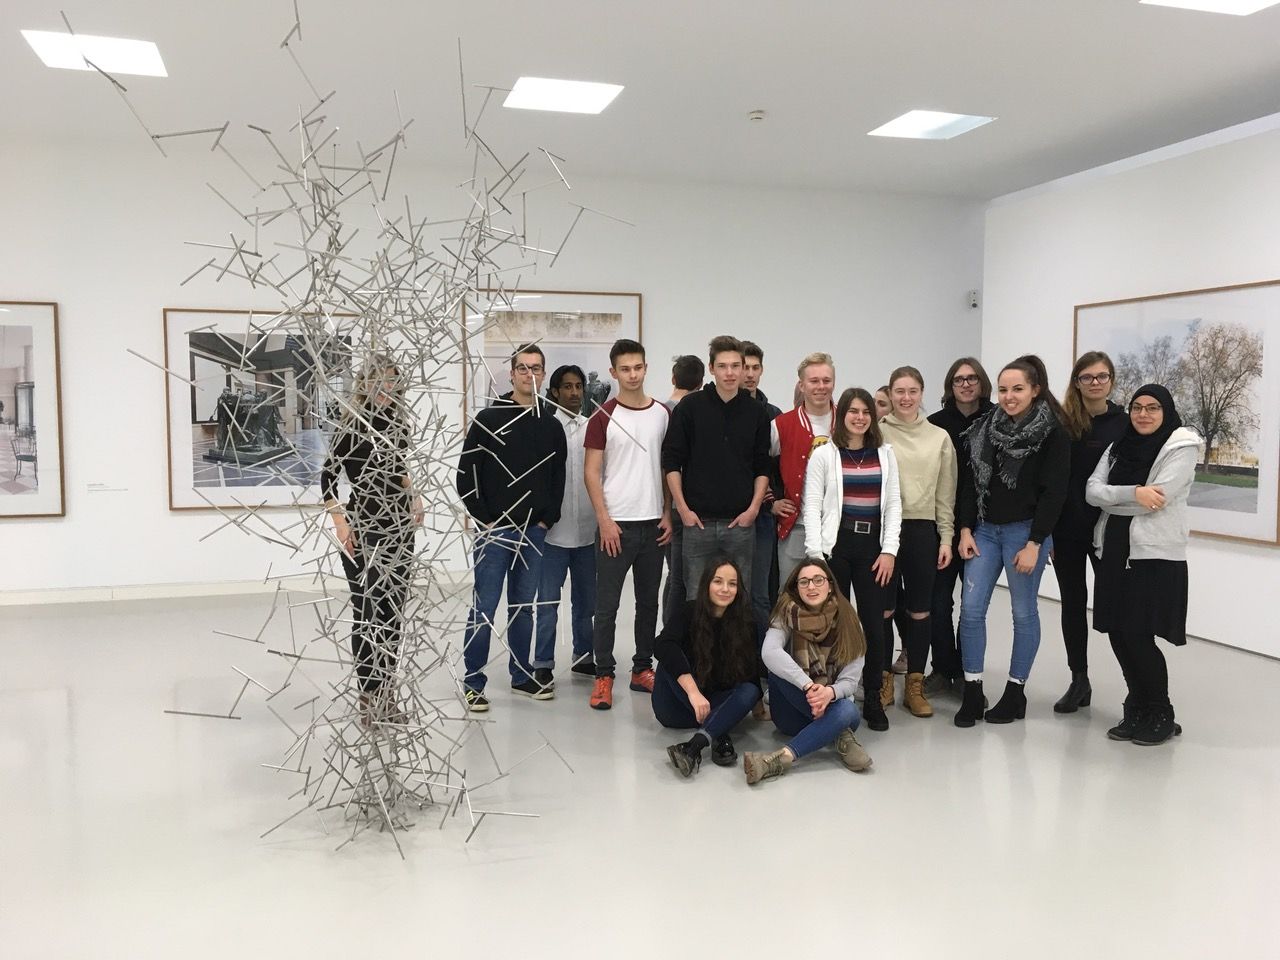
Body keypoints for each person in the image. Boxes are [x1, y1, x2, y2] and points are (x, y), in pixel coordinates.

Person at [954, 355, 1069, 727]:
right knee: (971, 610)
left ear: (1035, 390)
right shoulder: (986, 427)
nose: (1009, 396)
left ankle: (1016, 692)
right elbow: (971, 483)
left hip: (1025, 533)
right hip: (985, 530)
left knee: (1023, 613)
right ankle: (973, 691)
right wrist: (966, 529)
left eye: (1018, 388)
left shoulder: (1053, 433)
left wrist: (1036, 543)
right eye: (1003, 389)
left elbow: (1055, 493)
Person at [1087, 385, 1201, 746]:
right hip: (1113, 550)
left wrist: (1116, 498)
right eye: (1137, 407)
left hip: (1153, 554)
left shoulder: (1180, 446)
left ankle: (1161, 713)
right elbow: (1091, 491)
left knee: (1138, 635)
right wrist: (1135, 492)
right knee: (1118, 633)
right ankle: (1136, 707)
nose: (1143, 414)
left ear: (1166, 411)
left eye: (1153, 408)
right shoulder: (1118, 446)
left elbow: (1157, 499)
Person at [456, 345, 567, 712]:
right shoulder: (489, 418)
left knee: (523, 608)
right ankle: (473, 681)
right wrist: (485, 519)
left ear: (544, 374)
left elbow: (557, 478)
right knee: (484, 608)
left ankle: (521, 676)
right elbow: (466, 475)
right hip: (495, 532)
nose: (529, 374)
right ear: (512, 374)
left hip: (533, 532)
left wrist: (546, 519)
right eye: (523, 368)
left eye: (536, 368)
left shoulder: (551, 425)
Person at [322, 356, 424, 725]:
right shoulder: (350, 427)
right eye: (378, 380)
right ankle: (369, 696)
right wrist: (341, 523)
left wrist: (414, 494)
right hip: (363, 529)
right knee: (367, 614)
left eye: (392, 381)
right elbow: (327, 479)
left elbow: (396, 470)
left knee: (392, 614)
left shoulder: (398, 424)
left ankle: (387, 694)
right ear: (364, 384)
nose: (385, 388)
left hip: (398, 528)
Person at [802, 387, 901, 731]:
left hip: (873, 549)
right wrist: (816, 557)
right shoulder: (824, 455)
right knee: (833, 625)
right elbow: (811, 506)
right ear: (841, 415)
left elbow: (894, 506)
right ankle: (833, 694)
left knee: (873, 624)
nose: (860, 418)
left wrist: (889, 550)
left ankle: (871, 694)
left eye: (866, 412)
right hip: (836, 548)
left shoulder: (885, 454)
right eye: (853, 411)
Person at [584, 339, 673, 710]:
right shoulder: (602, 416)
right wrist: (604, 520)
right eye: (625, 369)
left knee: (647, 604)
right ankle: (603, 675)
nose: (632, 375)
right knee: (606, 607)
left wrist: (667, 512)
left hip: (653, 525)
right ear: (613, 372)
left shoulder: (662, 414)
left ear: (646, 368)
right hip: (616, 526)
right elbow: (591, 472)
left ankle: (642, 669)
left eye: (638, 367)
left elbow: (669, 468)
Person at [661, 334, 771, 597]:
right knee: (696, 599)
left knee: (738, 600)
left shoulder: (756, 412)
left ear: (743, 368)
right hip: (697, 524)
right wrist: (683, 510)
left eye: (735, 366)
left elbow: (762, 465)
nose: (729, 373)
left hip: (740, 525)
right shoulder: (690, 407)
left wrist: (753, 509)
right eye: (722, 366)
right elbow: (672, 461)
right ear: (711, 369)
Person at [746, 559, 873, 783]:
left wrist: (829, 693)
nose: (811, 587)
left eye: (818, 580)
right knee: (779, 670)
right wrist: (809, 686)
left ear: (830, 585)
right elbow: (769, 653)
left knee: (847, 709)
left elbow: (850, 682)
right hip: (790, 714)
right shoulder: (785, 613)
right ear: (796, 588)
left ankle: (779, 759)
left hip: (834, 705)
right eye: (803, 582)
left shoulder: (850, 621)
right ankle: (840, 734)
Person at [876, 366, 957, 719]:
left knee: (920, 610)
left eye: (912, 391)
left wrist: (947, 537)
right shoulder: (877, 432)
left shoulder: (939, 437)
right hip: (884, 532)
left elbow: (945, 493)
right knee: (883, 610)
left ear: (922, 393)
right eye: (899, 391)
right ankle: (881, 681)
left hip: (924, 531)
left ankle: (915, 685)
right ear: (890, 394)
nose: (906, 398)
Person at [1051, 351, 1128, 713]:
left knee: (1116, 606)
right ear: (1077, 382)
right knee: (1072, 604)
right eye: (1087, 377)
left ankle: (1136, 686)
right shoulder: (1063, 424)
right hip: (1066, 529)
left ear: (1111, 380)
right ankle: (1079, 680)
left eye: (1101, 376)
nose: (1095, 382)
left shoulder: (1124, 424)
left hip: (1107, 531)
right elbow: (1052, 480)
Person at [653, 557, 764, 776]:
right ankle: (720, 733)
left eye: (732, 584)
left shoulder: (746, 621)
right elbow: (662, 646)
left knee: (751, 690)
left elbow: (750, 674)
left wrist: (757, 709)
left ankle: (694, 746)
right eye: (718, 581)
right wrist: (693, 692)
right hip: (677, 707)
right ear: (706, 584)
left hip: (713, 703)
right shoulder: (688, 611)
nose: (725, 589)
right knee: (670, 659)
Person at [924, 357, 995, 696]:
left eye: (971, 378)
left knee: (973, 606)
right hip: (942, 524)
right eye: (958, 380)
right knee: (938, 603)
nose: (965, 385)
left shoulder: (997, 420)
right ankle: (943, 667)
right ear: (950, 386)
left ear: (982, 383)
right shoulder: (935, 425)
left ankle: (969, 670)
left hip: (984, 527)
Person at [534, 365, 597, 690]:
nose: (574, 393)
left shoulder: (593, 428)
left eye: (578, 386)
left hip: (588, 533)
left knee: (586, 604)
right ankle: (543, 663)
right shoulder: (545, 427)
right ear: (555, 392)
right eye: (567, 387)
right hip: (552, 536)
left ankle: (583, 656)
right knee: (547, 604)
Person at [770, 352, 837, 583]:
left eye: (826, 380)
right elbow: (756, 466)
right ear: (802, 385)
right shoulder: (781, 424)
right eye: (814, 381)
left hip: (838, 527)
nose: (821, 386)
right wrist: (771, 502)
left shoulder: (849, 421)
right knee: (790, 594)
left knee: (834, 596)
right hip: (796, 526)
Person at [741, 341, 783, 640]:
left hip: (764, 516)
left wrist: (774, 497)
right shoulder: (724, 411)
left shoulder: (773, 414)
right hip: (729, 513)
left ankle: (761, 656)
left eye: (755, 368)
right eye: (745, 367)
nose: (749, 374)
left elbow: (779, 466)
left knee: (762, 592)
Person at [662, 355, 705, 625]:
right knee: (686, 578)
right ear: (702, 382)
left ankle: (670, 630)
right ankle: (676, 633)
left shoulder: (659, 411)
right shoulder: (695, 412)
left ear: (673, 378)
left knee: (675, 575)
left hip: (667, 506)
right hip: (689, 506)